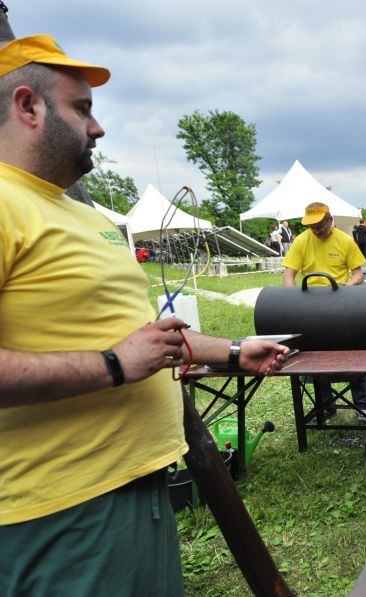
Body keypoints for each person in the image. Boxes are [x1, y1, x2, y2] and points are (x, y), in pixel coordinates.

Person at [0, 35, 290, 595]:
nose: (98, 127)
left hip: (132, 486)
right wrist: (112, 365)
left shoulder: (79, 214)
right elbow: (123, 353)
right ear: (27, 106)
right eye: (81, 107)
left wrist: (229, 352)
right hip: (62, 508)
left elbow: (137, 335)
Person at [282, 202, 366, 417]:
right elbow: (289, 274)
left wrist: (348, 288)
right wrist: (293, 297)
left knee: (354, 352)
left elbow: (358, 273)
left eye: (320, 227)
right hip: (311, 305)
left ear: (330, 221)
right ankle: (325, 406)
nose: (316, 231)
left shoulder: (344, 240)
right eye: (312, 228)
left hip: (340, 303)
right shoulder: (302, 240)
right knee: (315, 355)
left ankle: (364, 405)